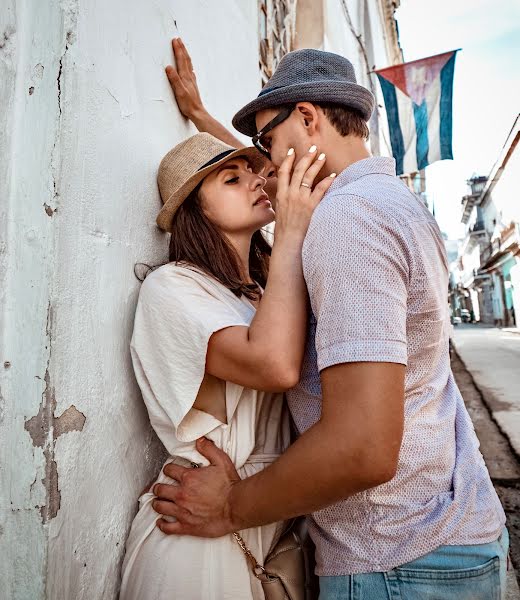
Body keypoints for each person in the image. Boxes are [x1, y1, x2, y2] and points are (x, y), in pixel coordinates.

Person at [153, 41, 509, 599]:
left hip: (396, 556)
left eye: (265, 142)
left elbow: (362, 446)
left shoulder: (348, 223)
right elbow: (266, 189)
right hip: (437, 534)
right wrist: (201, 120)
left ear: (308, 118)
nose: (263, 165)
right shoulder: (387, 200)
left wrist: (230, 507)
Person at [119, 130, 335, 600]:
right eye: (232, 180)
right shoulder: (173, 287)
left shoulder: (263, 292)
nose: (257, 182)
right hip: (198, 524)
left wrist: (200, 116)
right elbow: (275, 366)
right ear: (195, 210)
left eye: (253, 172)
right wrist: (292, 231)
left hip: (263, 510)